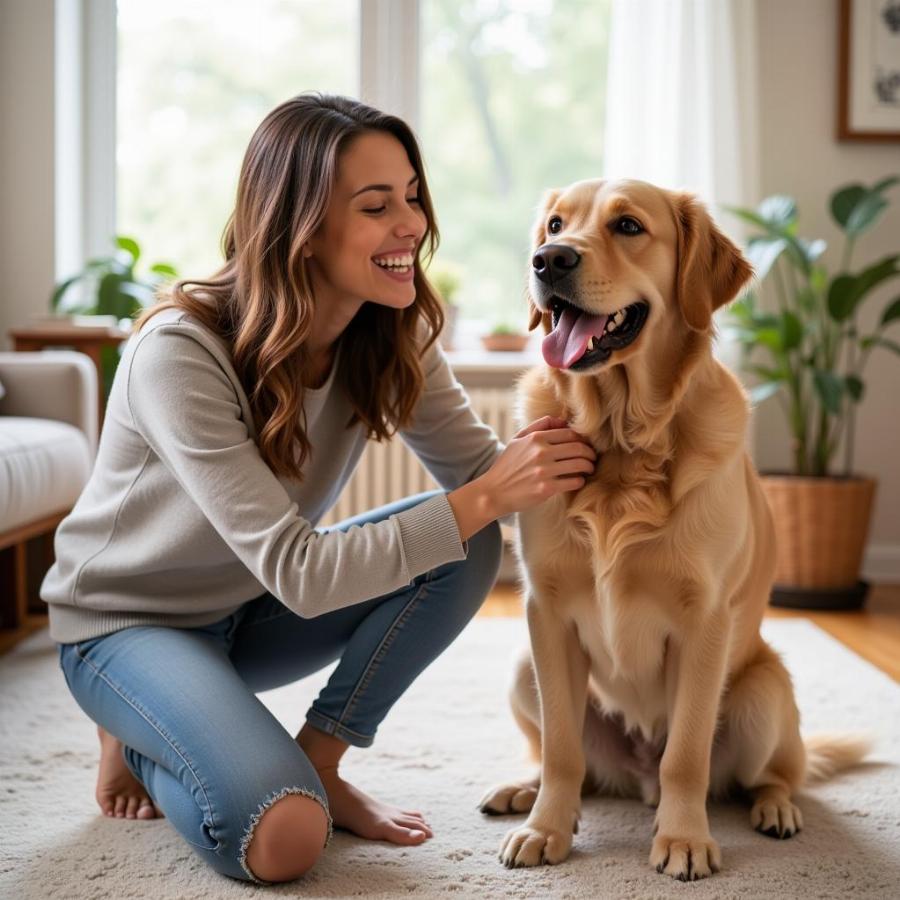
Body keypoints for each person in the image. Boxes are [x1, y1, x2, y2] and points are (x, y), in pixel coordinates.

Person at [41, 93, 597, 885]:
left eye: (411, 196)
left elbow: (483, 472)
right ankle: (134, 726)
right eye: (377, 206)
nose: (412, 224)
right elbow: (303, 571)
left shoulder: (392, 328)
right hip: (126, 625)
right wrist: (490, 495)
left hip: (247, 613)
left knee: (465, 538)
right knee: (284, 840)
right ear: (297, 226)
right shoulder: (180, 352)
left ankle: (321, 761)